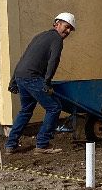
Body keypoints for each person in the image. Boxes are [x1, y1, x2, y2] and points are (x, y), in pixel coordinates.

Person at [5, 12, 76, 154]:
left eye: (70, 29)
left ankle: (10, 145)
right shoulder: (56, 39)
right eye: (66, 27)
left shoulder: (40, 36)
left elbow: (24, 58)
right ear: (57, 23)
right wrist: (47, 82)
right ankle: (42, 144)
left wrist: (13, 80)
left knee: (25, 110)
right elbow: (53, 61)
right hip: (32, 77)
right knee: (54, 107)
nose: (67, 31)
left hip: (22, 76)